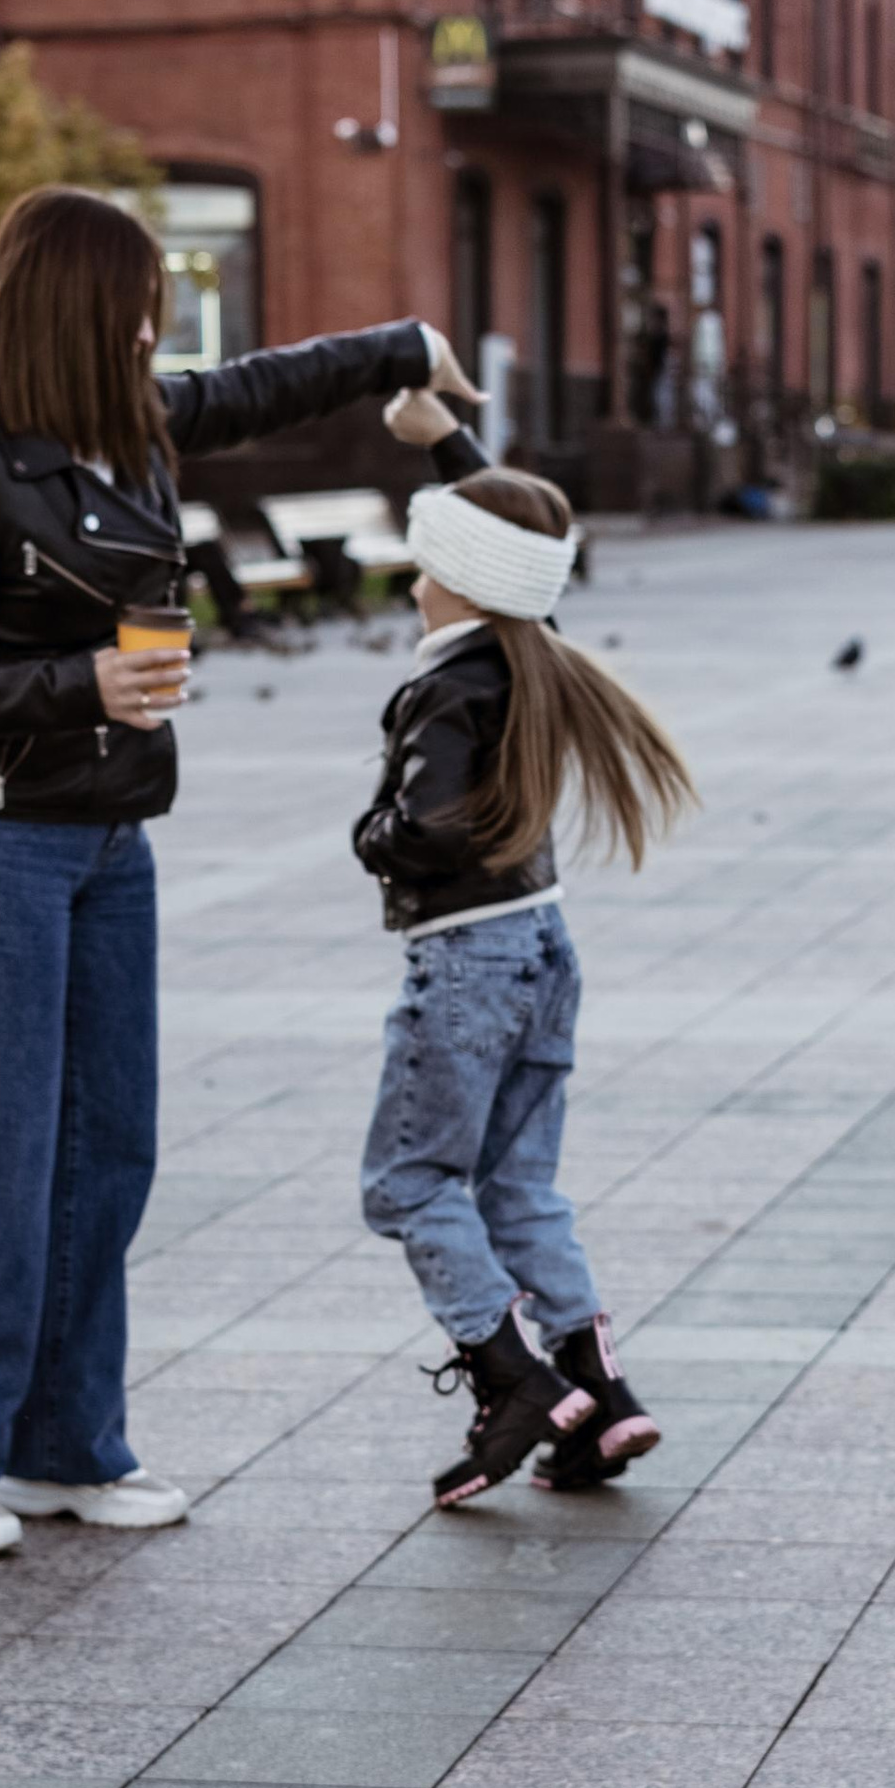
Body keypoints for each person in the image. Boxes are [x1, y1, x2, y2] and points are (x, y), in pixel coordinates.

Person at [0, 185, 469, 1559]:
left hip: (109, 835)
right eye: (139, 296)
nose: (156, 321)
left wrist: (404, 346)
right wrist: (82, 683)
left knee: (106, 1147)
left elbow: (264, 386)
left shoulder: (131, 433)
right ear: (80, 305)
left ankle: (60, 1447)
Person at [353, 441, 696, 1506]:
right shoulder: (527, 656)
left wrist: (376, 835)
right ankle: (598, 1388)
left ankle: (512, 1378)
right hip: (541, 946)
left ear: (459, 578)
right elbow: (523, 524)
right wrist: (444, 436)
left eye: (422, 564)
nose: (412, 582)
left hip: (466, 958)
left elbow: (431, 826)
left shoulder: (455, 682)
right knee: (516, 1187)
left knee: (407, 1183)